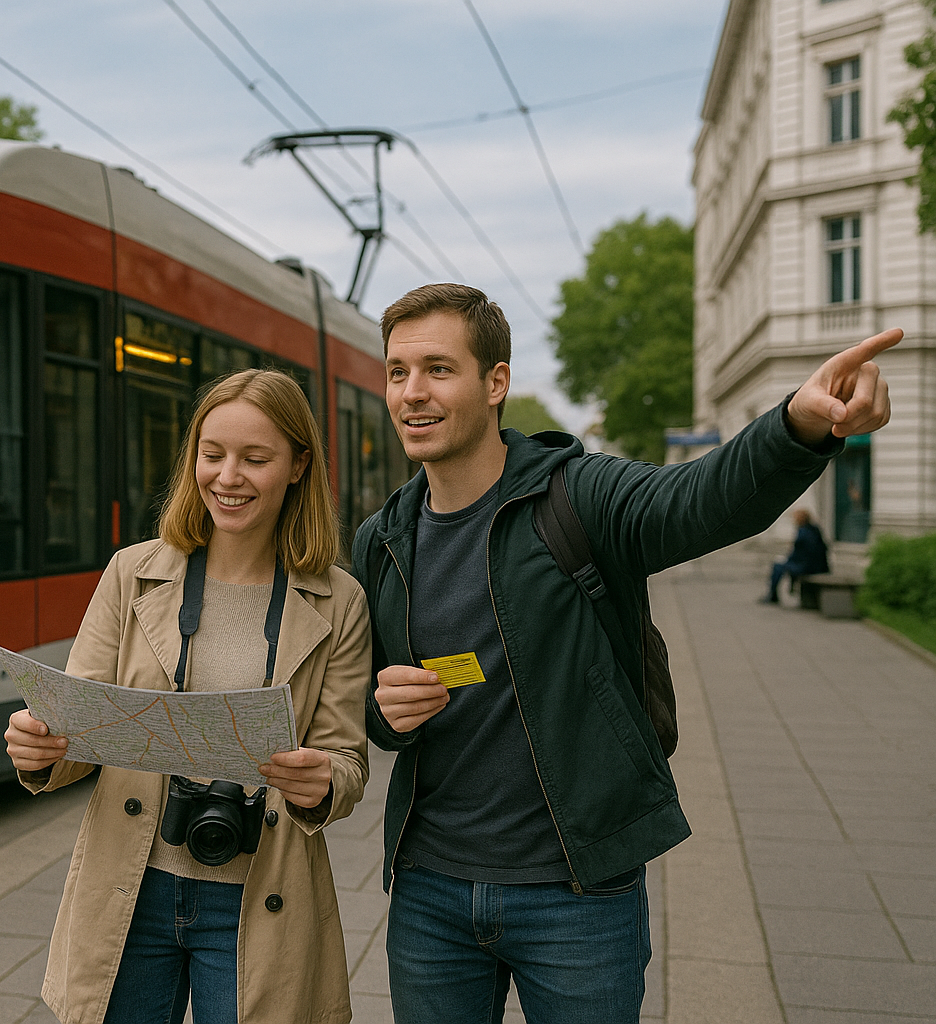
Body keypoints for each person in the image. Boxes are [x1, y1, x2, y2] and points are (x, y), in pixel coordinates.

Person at [351, 282, 896, 1024]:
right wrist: (385, 713)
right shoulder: (381, 540)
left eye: (439, 369)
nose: (412, 392)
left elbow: (703, 498)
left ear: (496, 383)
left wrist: (796, 429)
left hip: (576, 892)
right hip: (429, 892)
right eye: (397, 372)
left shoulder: (579, 495)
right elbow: (371, 705)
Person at [4, 369, 371, 1024]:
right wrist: (40, 748)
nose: (227, 477)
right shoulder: (131, 572)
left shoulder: (340, 600)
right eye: (212, 454)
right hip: (131, 888)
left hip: (260, 896)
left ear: (298, 465)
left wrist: (321, 781)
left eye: (255, 459)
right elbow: (76, 731)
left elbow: (346, 761)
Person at [762, 508, 830, 603]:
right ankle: (781, 591)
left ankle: (773, 595)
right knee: (785, 565)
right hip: (818, 566)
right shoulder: (814, 530)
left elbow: (798, 554)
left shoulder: (803, 533)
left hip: (808, 567)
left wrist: (787, 561)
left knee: (778, 567)